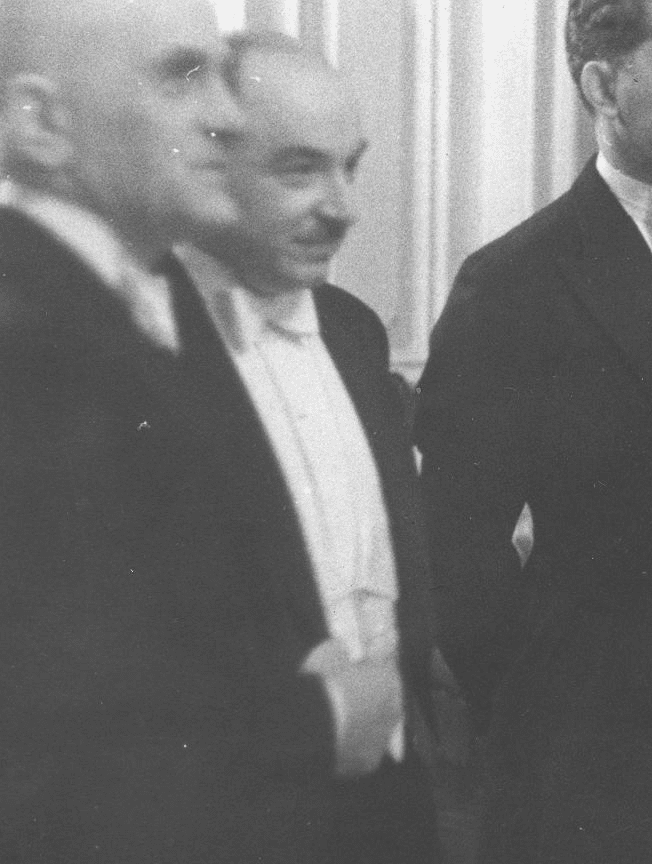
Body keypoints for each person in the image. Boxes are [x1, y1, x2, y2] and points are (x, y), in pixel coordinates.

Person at [413, 0, 652, 860]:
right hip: (599, 735)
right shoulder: (513, 281)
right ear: (603, 86)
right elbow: (455, 542)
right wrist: (537, 709)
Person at [0, 1, 258, 858]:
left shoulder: (126, 306)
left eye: (224, 76)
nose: (230, 116)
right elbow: (76, 732)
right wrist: (322, 713)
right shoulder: (28, 347)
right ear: (42, 122)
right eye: (181, 76)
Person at [175, 32, 439, 862]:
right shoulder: (135, 351)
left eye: (349, 168)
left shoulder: (356, 336)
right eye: (300, 170)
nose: (343, 207)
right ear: (207, 165)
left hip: (393, 812)